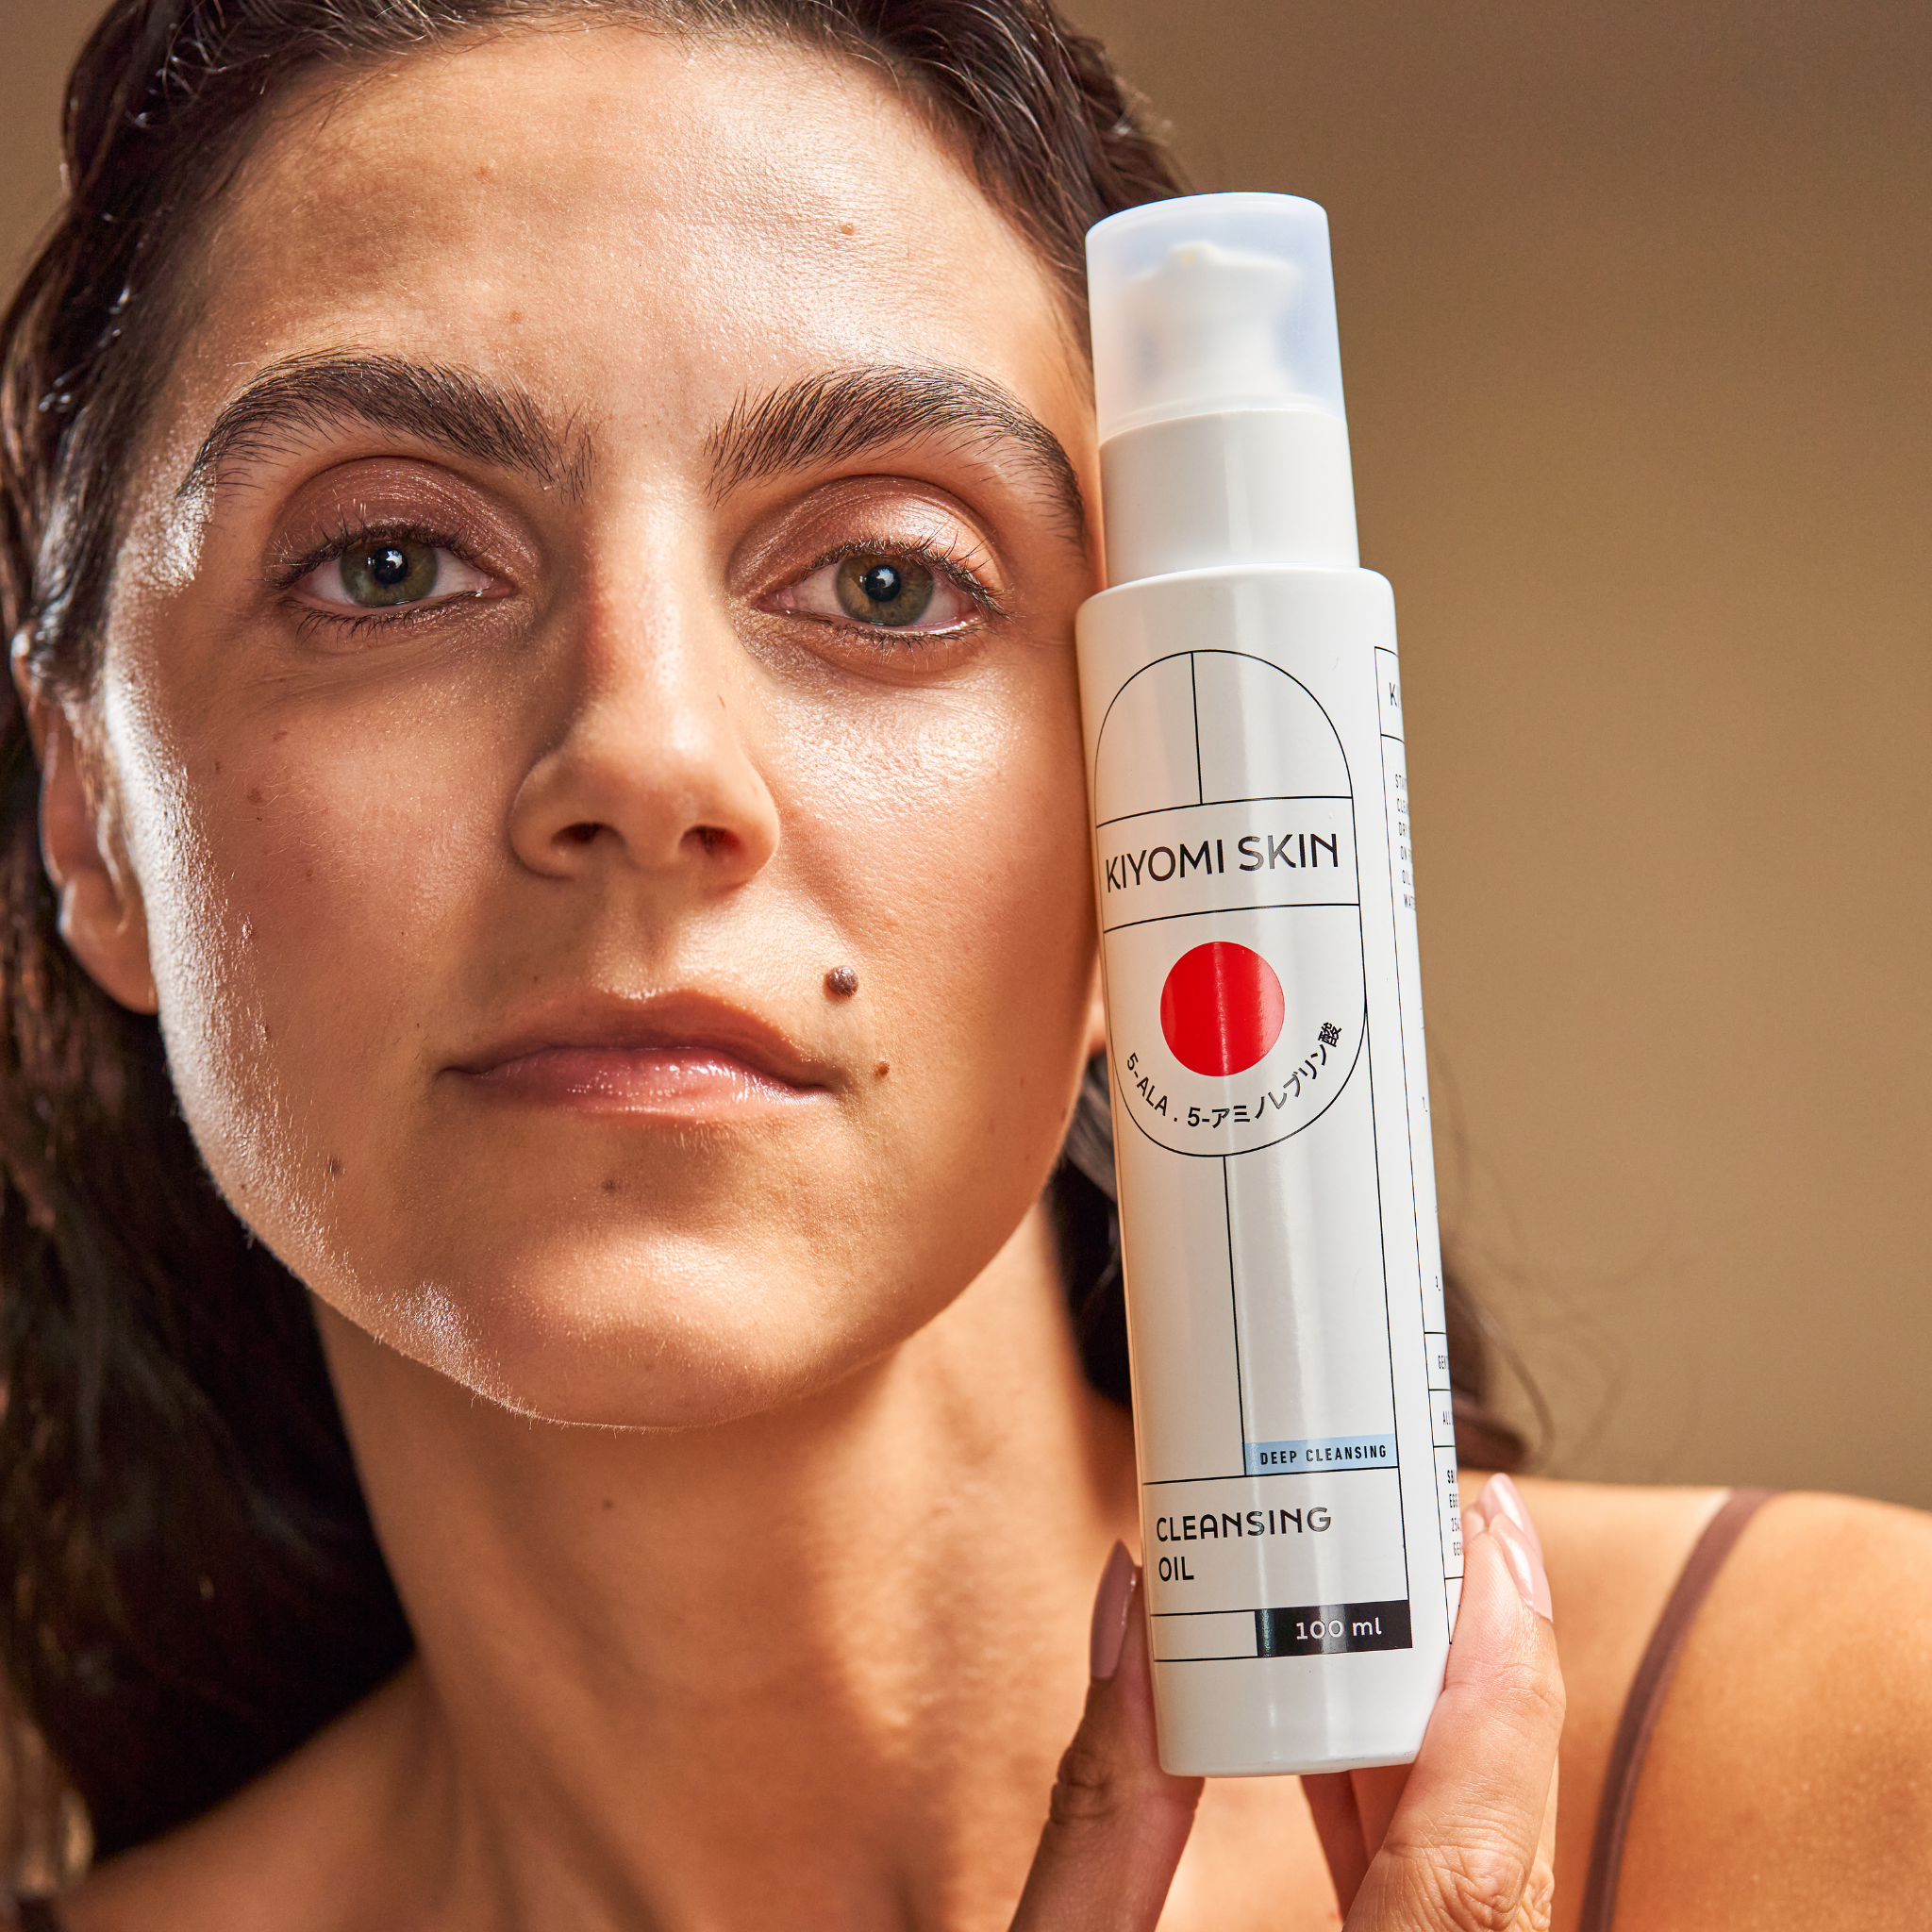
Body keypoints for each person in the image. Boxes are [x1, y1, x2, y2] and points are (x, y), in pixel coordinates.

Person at [0, 3, 1925, 1926]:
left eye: (886, 581)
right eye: (392, 565)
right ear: (90, 815)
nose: (649, 759)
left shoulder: (1837, 1758)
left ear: (1154, 805)